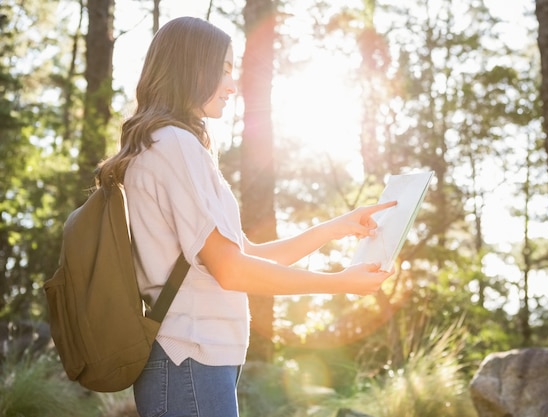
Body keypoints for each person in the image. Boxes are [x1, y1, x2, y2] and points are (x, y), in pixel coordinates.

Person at [97, 16, 396, 417]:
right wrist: (338, 283)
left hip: (194, 359)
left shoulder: (168, 144)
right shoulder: (174, 145)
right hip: (188, 358)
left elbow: (246, 253)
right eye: (222, 71)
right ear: (191, 68)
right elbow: (233, 271)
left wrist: (337, 227)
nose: (232, 85)